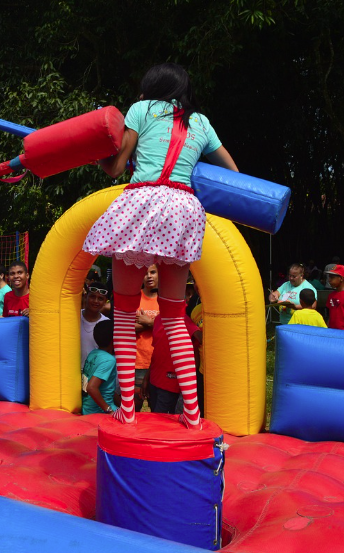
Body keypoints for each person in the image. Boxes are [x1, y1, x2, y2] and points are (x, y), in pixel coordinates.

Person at [83, 62, 238, 427]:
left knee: (123, 314)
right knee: (175, 316)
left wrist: (99, 153)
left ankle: (127, 410)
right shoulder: (201, 122)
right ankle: (193, 414)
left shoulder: (141, 109)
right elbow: (232, 174)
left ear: (152, 87)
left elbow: (115, 168)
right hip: (183, 209)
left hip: (142, 203)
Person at [142, 311, 202, 415]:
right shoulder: (158, 319)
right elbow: (156, 351)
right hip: (155, 380)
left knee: (161, 421)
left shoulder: (182, 318)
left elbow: (200, 340)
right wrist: (147, 378)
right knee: (155, 418)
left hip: (170, 384)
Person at [134, 265, 160, 411]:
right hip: (137, 362)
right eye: (145, 273)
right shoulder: (135, 297)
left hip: (158, 364)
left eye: (153, 272)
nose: (149, 276)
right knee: (133, 410)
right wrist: (156, 322)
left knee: (157, 411)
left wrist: (148, 322)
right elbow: (127, 327)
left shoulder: (165, 299)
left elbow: (169, 328)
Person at [82, 320, 118, 415]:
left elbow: (106, 388)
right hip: (99, 413)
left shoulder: (93, 354)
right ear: (114, 339)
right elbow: (91, 387)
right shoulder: (109, 360)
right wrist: (109, 410)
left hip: (87, 409)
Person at [80, 283, 111, 370]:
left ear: (105, 301)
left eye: (100, 298)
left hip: (93, 375)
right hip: (69, 373)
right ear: (86, 296)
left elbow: (107, 354)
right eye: (92, 297)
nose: (96, 301)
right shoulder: (74, 317)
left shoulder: (106, 323)